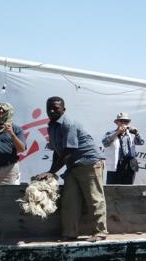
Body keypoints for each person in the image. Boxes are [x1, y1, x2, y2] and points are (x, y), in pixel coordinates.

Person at [34, 96, 108, 242]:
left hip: (89, 163)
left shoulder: (68, 124)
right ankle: (70, 233)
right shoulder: (52, 126)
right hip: (73, 165)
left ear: (64, 109)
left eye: (56, 107)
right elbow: (57, 151)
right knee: (69, 201)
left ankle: (100, 232)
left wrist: (52, 172)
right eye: (49, 107)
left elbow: (68, 151)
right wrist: (50, 171)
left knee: (94, 198)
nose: (52, 110)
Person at [102, 112, 144, 184]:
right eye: (121, 121)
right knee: (112, 187)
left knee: (128, 187)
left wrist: (137, 134)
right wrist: (118, 132)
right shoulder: (110, 133)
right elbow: (105, 143)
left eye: (126, 121)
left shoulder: (132, 133)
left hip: (130, 164)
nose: (124, 123)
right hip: (116, 164)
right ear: (116, 122)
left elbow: (141, 142)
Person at [0, 103, 26, 184]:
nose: (0, 111)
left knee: (5, 195)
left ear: (9, 112)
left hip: (8, 169)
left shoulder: (16, 129)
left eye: (4, 110)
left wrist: (12, 134)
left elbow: (21, 149)